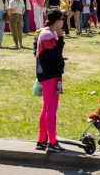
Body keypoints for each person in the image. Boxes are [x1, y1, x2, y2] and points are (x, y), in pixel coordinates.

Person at [34, 10, 66, 153]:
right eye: (62, 19)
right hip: (50, 76)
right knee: (51, 109)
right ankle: (52, 142)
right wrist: (60, 38)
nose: (63, 21)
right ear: (56, 21)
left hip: (53, 75)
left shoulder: (48, 33)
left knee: (47, 108)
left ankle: (42, 140)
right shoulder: (48, 34)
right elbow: (55, 53)